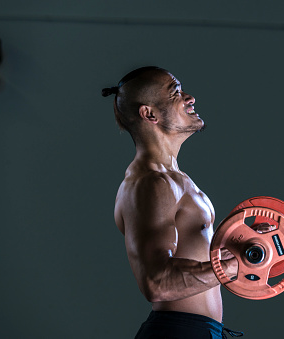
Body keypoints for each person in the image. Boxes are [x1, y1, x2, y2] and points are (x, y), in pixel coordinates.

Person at [102, 66, 243, 339]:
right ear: (149, 114)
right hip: (177, 332)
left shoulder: (177, 179)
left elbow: (196, 256)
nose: (189, 98)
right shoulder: (151, 184)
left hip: (200, 331)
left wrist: (241, 249)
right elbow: (157, 283)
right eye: (176, 93)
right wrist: (226, 269)